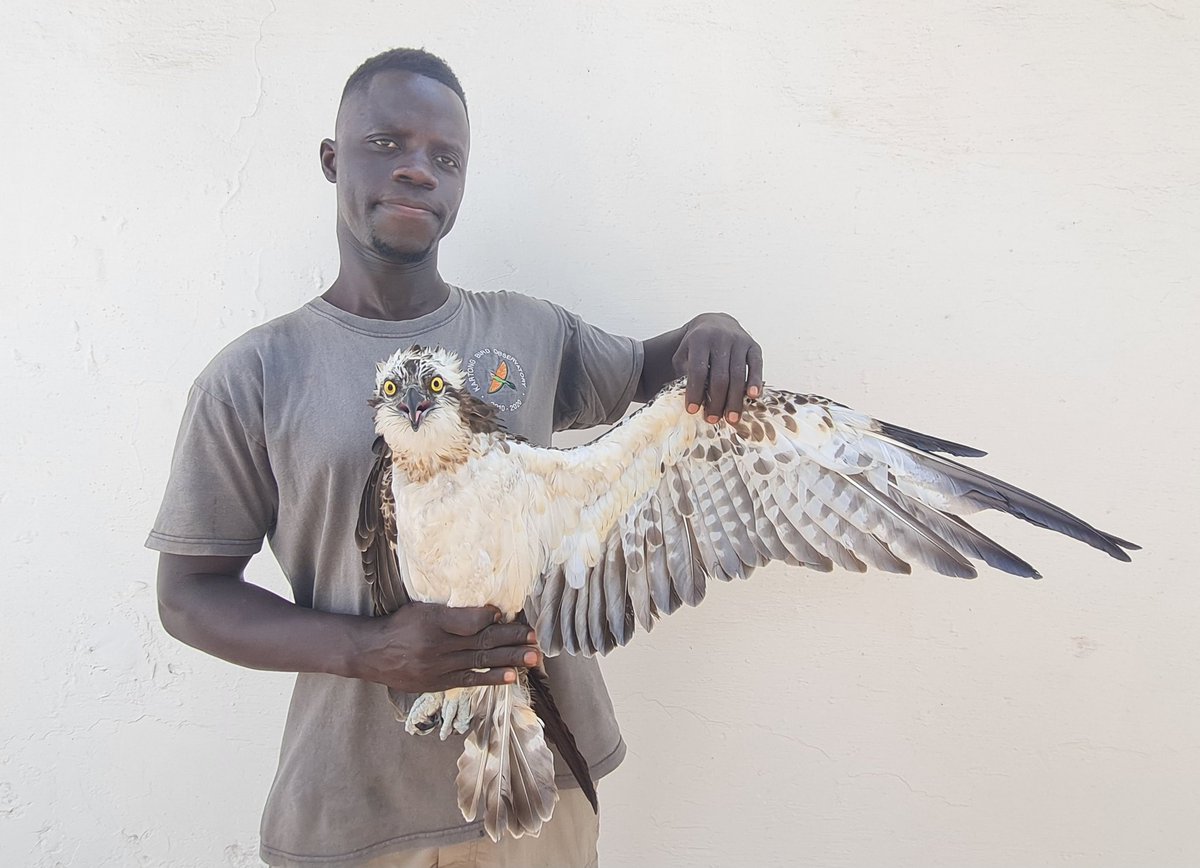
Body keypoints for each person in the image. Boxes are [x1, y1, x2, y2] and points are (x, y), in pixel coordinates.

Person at [149, 48, 763, 868]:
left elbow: (661, 375)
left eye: (445, 158)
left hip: (535, 786)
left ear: (463, 187)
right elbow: (189, 597)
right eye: (386, 145)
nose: (416, 171)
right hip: (359, 808)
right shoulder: (257, 374)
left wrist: (707, 330)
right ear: (333, 159)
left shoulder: (530, 333)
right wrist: (369, 650)